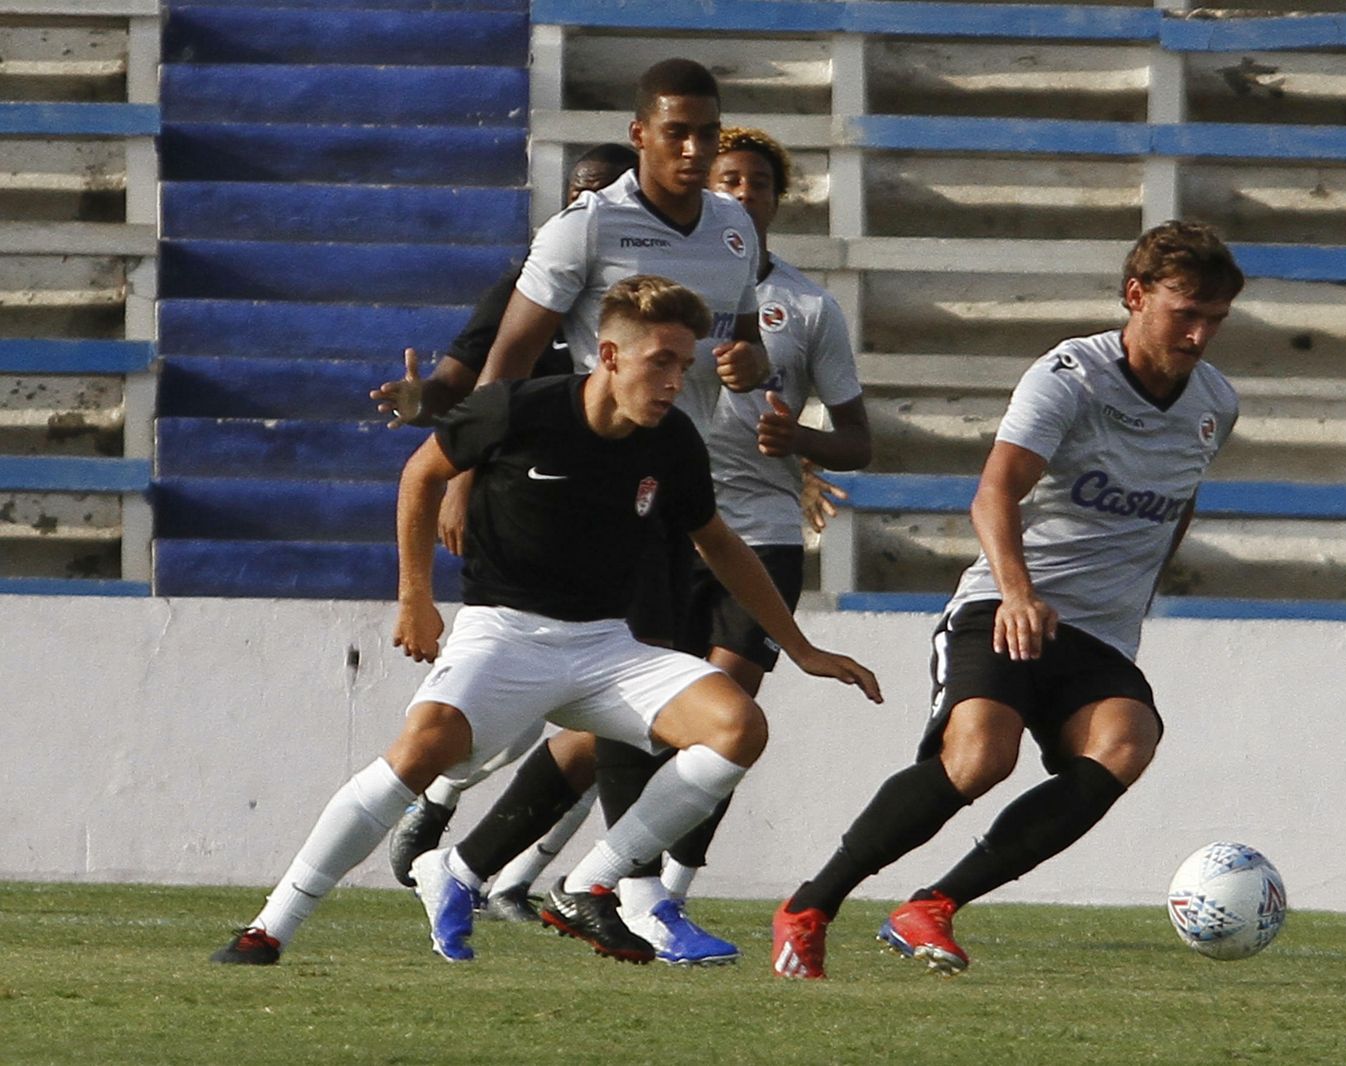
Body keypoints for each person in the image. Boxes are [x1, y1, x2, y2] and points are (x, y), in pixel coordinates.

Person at [211, 275, 880, 968]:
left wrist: (801, 648)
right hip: (504, 635)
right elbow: (421, 475)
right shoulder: (519, 408)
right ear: (610, 356)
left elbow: (717, 542)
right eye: (662, 362)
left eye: (685, 366)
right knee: (418, 752)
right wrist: (415, 597)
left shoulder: (674, 440)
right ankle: (270, 926)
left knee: (738, 727)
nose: (676, 382)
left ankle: (590, 882)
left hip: (607, 645)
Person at [401, 125, 875, 964]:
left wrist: (794, 442)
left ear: (774, 201)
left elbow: (848, 434)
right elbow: (493, 363)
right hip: (645, 516)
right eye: (729, 178)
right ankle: (510, 867)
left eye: (758, 182)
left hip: (754, 529)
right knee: (615, 723)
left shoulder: (801, 304)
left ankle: (640, 890)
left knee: (713, 716)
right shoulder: (614, 281)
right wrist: (463, 464)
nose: (741, 193)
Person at [367, 58, 777, 963]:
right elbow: (501, 356)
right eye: (677, 131)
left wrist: (752, 362)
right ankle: (628, 892)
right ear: (641, 134)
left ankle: (467, 867)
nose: (695, 148)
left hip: (673, 487)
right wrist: (464, 476)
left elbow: (738, 341)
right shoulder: (584, 229)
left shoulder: (733, 231)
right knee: (629, 697)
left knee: (608, 720)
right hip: (582, 496)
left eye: (706, 132)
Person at [770, 220, 1244, 979]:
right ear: (1135, 296)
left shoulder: (1216, 403)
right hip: (1004, 605)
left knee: (1127, 743)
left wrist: (1137, 593)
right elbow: (994, 491)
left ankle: (933, 906)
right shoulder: (1070, 376)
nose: (1199, 335)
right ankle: (809, 906)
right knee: (981, 758)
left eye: (1214, 319)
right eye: (1185, 314)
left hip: (1098, 634)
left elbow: (1180, 499)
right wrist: (1020, 595)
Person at [382, 144, 638, 907]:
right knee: (516, 697)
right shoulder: (529, 283)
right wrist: (440, 443)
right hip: (519, 512)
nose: (587, 209)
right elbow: (464, 390)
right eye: (578, 195)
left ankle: (520, 874)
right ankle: (441, 804)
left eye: (603, 195)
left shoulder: (649, 297)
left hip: (616, 517)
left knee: (611, 710)